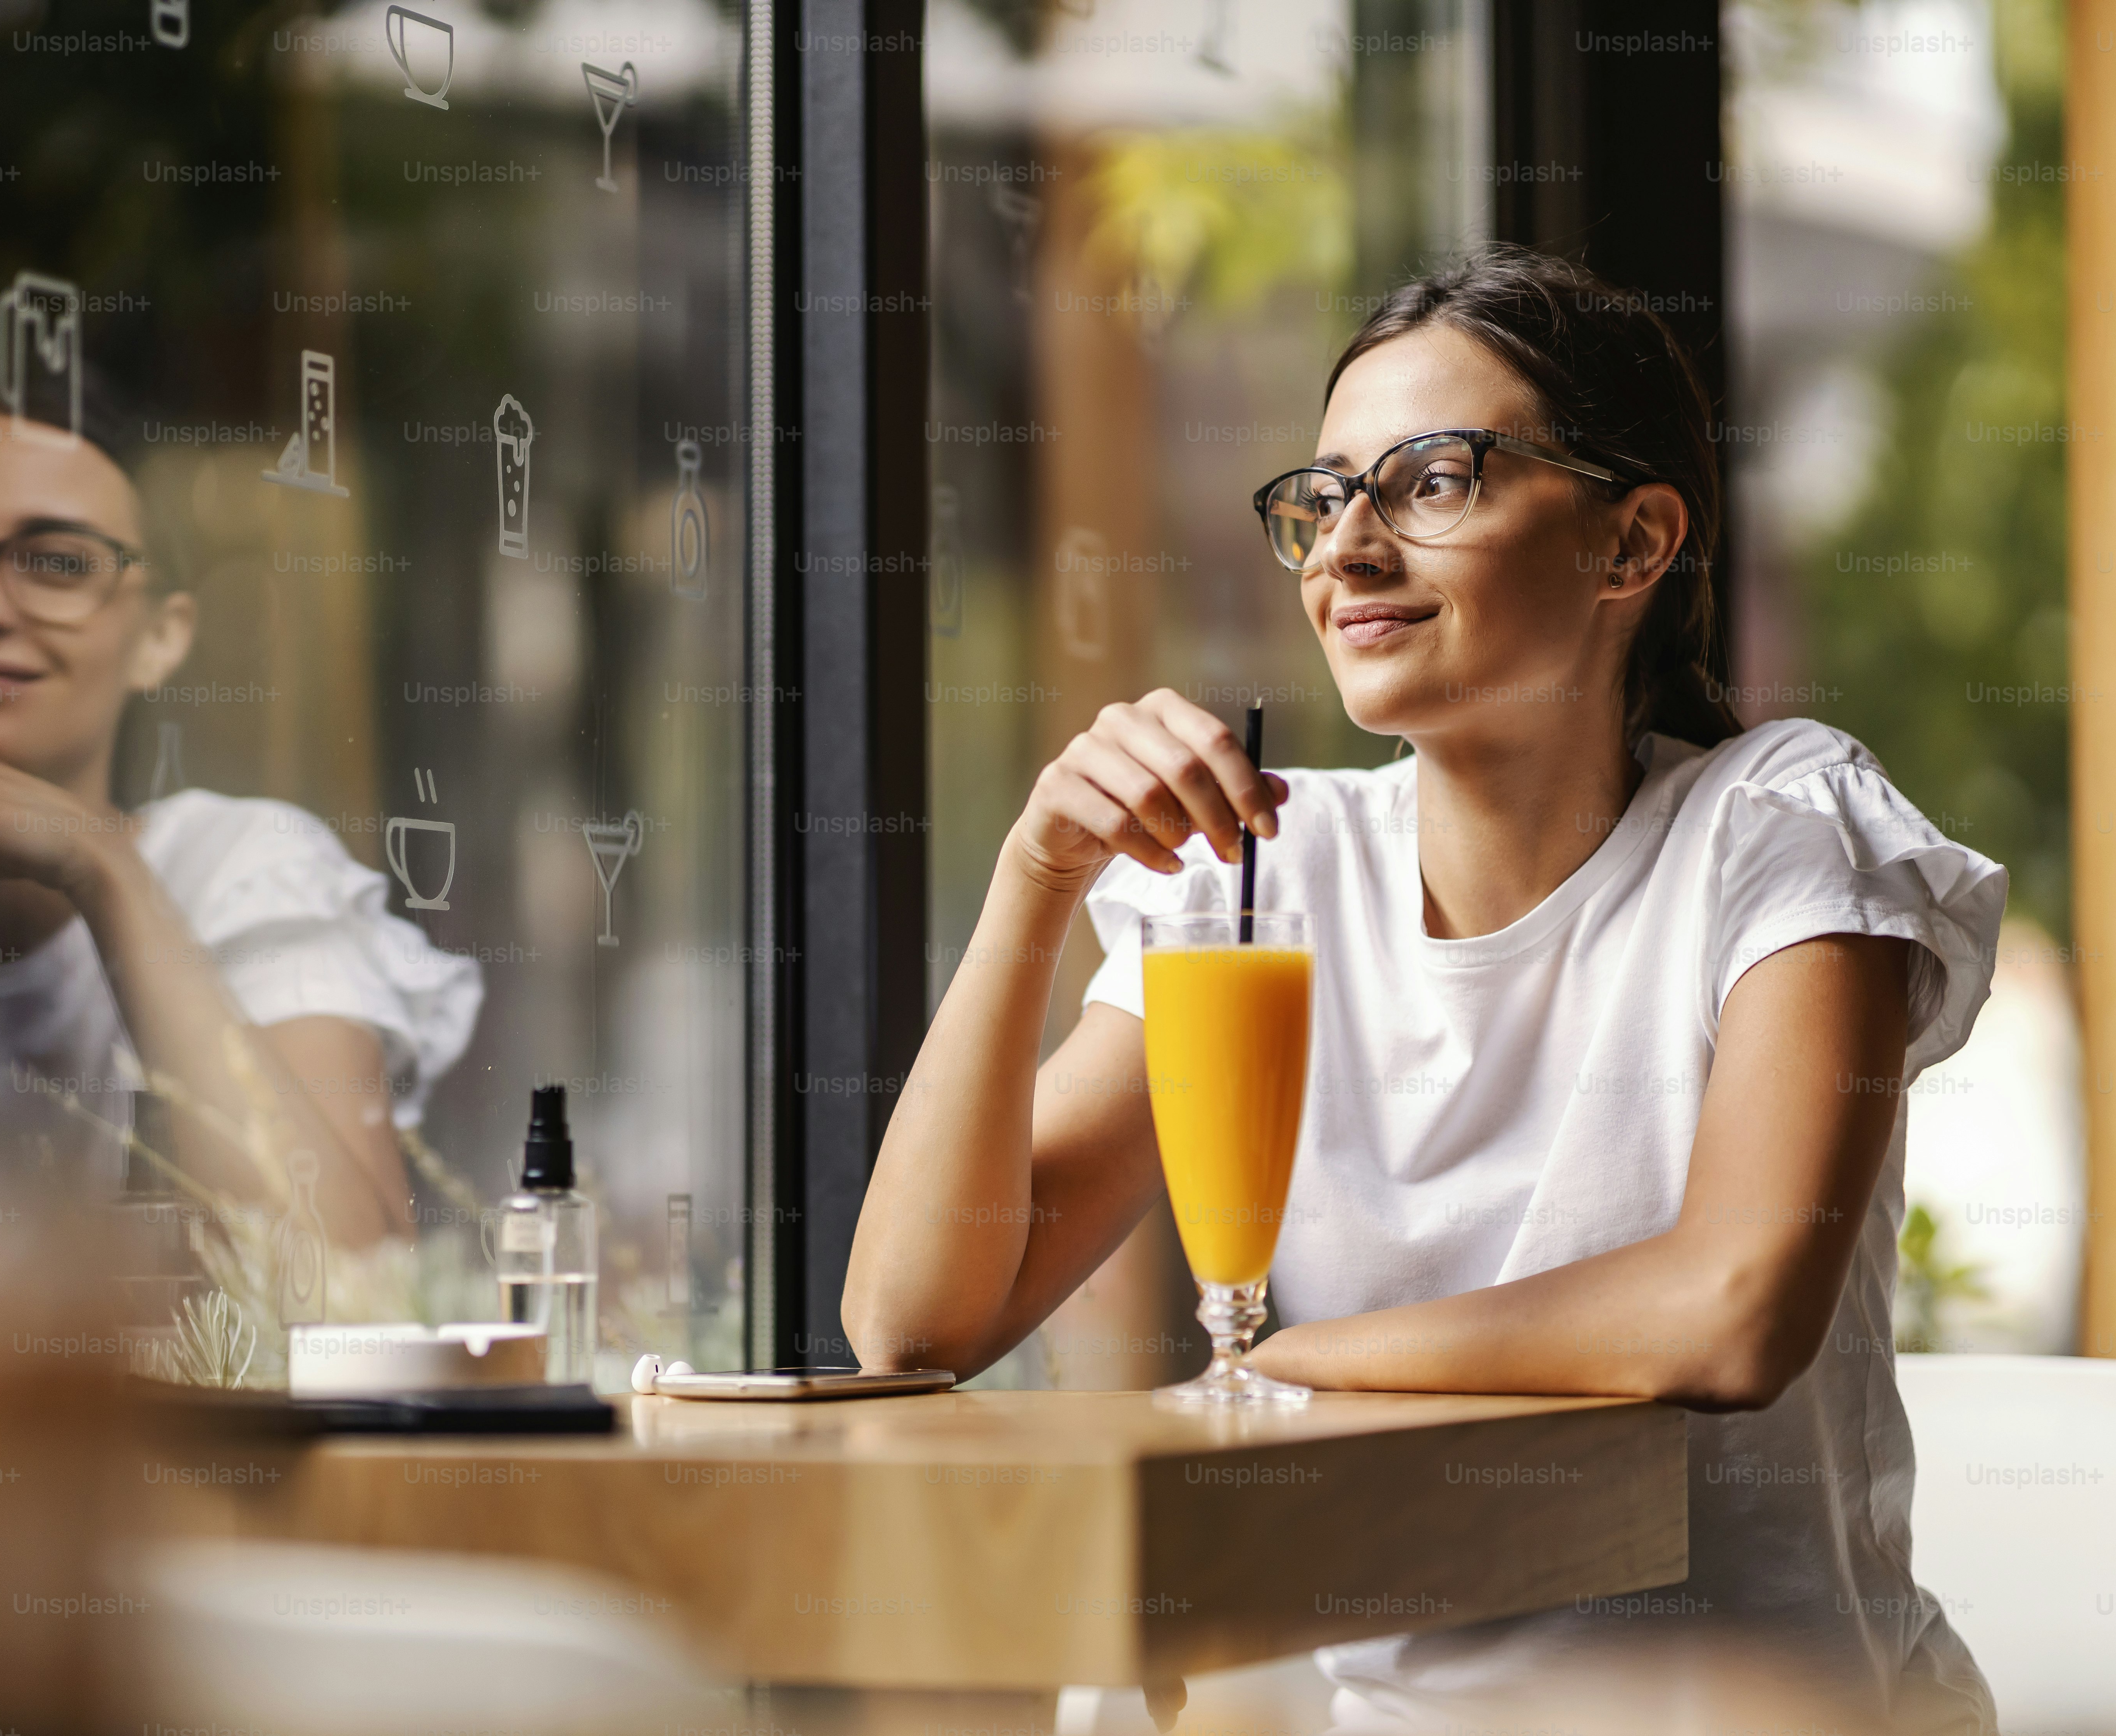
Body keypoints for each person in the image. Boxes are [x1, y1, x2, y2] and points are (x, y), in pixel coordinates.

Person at [843, 248, 2004, 1729]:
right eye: (1323, 498)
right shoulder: (1270, 874)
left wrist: (1296, 1365)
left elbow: (1731, 1307)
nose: (1348, 549)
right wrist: (1033, 878)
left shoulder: (1775, 827)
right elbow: (912, 1324)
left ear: (1633, 542)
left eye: (1434, 480)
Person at [0, 386, 480, 1250]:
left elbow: (354, 1295)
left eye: (61, 562)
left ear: (161, 637)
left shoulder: (246, 870)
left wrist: (100, 863)